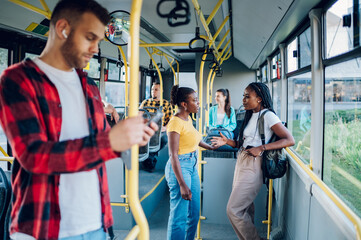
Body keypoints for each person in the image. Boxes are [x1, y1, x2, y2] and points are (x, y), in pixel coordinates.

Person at [0, 0, 158, 239]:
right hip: (44, 229)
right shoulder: (18, 80)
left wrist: (128, 138)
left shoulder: (90, 87)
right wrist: (109, 142)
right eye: (90, 37)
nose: (96, 48)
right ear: (63, 28)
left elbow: (99, 145)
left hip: (97, 224)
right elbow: (34, 156)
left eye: (99, 41)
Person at [211, 82, 294, 240]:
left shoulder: (268, 116)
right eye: (243, 96)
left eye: (247, 96)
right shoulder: (250, 115)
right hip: (242, 160)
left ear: (260, 99)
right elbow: (242, 144)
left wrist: (262, 148)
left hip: (254, 164)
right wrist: (227, 142)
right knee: (245, 209)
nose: (243, 99)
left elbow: (289, 139)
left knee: (233, 209)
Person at [166, 85, 217, 240]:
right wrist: (182, 184)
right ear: (184, 104)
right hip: (180, 167)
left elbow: (194, 139)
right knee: (179, 217)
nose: (198, 103)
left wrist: (209, 147)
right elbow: (173, 154)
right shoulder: (175, 122)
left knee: (194, 213)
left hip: (192, 166)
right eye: (194, 100)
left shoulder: (187, 119)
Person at [139, 81, 173, 171]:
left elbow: (171, 121)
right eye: (152, 89)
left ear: (161, 91)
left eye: (156, 89)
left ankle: (149, 157)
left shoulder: (166, 104)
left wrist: (164, 128)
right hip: (146, 129)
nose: (153, 91)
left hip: (160, 130)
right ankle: (149, 159)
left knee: (164, 139)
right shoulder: (145, 103)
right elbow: (139, 116)